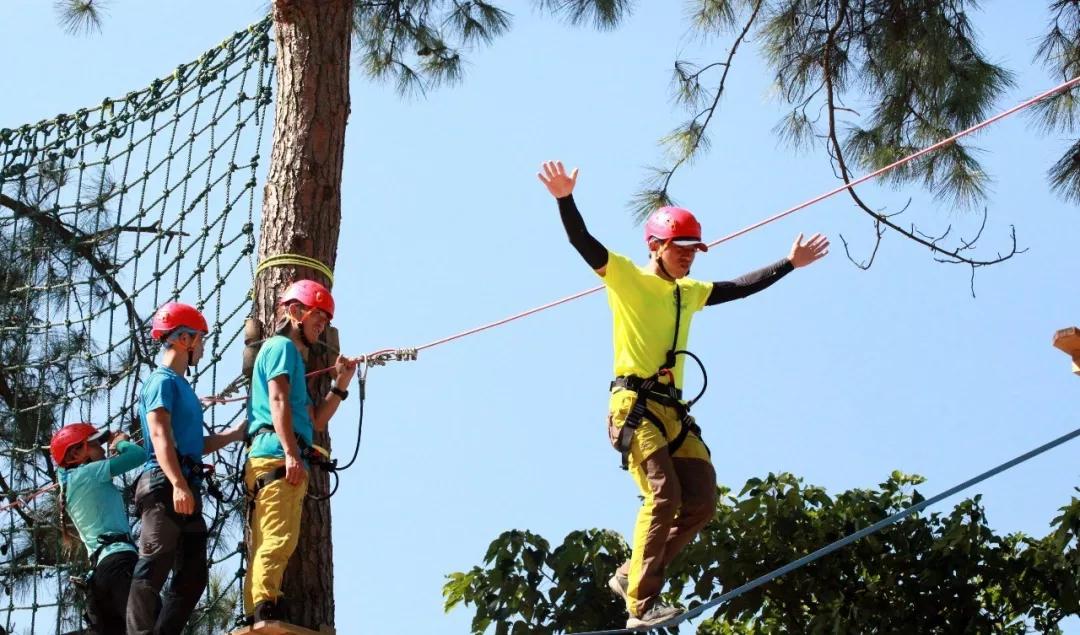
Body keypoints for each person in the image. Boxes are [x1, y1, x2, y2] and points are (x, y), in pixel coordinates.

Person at [538, 160, 829, 628]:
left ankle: (633, 574)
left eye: (694, 249)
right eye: (681, 248)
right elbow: (583, 242)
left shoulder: (689, 291)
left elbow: (736, 288)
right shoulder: (628, 279)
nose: (689, 256)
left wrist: (788, 265)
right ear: (656, 246)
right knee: (663, 495)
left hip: (674, 414)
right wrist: (564, 199)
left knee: (702, 500)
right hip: (634, 408)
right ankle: (641, 604)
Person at [127, 301, 246, 635]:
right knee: (153, 566)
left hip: (184, 482)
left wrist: (234, 435)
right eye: (201, 340)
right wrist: (177, 483)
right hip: (165, 484)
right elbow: (160, 433)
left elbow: (194, 446)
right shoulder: (160, 382)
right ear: (183, 339)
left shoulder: (183, 389)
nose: (204, 348)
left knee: (194, 575)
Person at [243, 280, 355, 623]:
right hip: (278, 455)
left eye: (324, 322)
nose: (320, 328)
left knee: (271, 537)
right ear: (294, 312)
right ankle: (264, 607)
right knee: (279, 537)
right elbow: (277, 400)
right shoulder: (282, 348)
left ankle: (257, 609)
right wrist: (292, 453)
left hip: (272, 455)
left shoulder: (290, 359)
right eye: (316, 319)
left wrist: (340, 383)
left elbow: (316, 419)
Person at [52, 423, 146, 634]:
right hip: (119, 562)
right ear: (76, 454)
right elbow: (138, 456)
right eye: (95, 444)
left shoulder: (69, 482)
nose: (102, 449)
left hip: (100, 575)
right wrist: (121, 442)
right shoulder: (90, 473)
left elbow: (61, 466)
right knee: (147, 624)